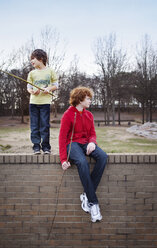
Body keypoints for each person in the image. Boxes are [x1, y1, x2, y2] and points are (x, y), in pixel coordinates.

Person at [59, 86, 108, 223]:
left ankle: (87, 195)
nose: (90, 101)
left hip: (87, 143)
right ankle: (93, 204)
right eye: (88, 98)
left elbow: (92, 133)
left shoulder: (89, 115)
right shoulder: (68, 115)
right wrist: (63, 159)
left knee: (103, 157)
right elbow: (62, 138)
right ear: (80, 99)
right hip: (72, 144)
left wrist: (92, 142)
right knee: (82, 162)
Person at [27, 49, 58, 154]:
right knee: (34, 126)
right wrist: (32, 91)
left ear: (41, 59)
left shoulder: (50, 71)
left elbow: (55, 86)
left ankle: (46, 147)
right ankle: (36, 146)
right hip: (33, 103)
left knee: (44, 125)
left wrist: (48, 89)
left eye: (33, 59)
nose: (31, 61)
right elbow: (29, 87)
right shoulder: (31, 73)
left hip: (45, 103)